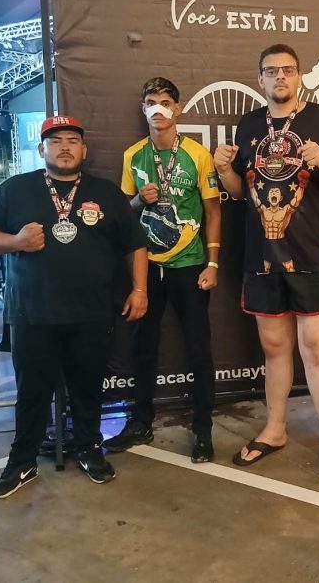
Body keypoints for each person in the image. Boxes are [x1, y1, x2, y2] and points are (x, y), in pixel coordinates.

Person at [0, 116, 148, 499]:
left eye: (72, 140)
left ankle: (89, 449)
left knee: (88, 389)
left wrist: (139, 289)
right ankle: (22, 461)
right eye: (55, 141)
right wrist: (16, 242)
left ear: (84, 149)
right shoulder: (16, 189)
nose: (64, 147)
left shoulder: (105, 192)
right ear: (42, 149)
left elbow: (136, 244)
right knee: (32, 392)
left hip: (91, 312)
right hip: (32, 313)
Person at [213, 44, 319, 489]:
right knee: (274, 349)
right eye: (271, 71)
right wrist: (224, 170)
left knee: (316, 352)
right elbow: (238, 192)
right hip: (263, 258)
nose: (280, 77)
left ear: (300, 77)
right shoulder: (249, 125)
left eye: (288, 70)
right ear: (260, 78)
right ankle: (275, 429)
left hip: (314, 255)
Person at [103, 77, 221, 462]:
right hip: (147, 267)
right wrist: (139, 200)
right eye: (151, 102)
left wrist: (213, 263)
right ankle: (140, 422)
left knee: (199, 349)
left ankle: (203, 429)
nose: (159, 108)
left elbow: (213, 211)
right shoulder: (133, 155)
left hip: (189, 265)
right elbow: (123, 215)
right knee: (142, 348)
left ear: (177, 109)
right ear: (143, 109)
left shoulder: (198, 155)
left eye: (166, 102)